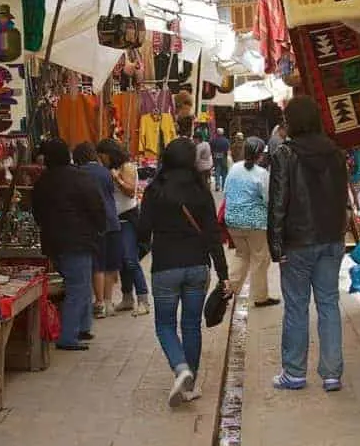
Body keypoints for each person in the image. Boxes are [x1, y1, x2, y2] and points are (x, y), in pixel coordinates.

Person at [138, 138, 230, 408]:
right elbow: (213, 235)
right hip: (197, 267)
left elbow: (143, 230)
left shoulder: (155, 190)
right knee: (191, 325)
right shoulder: (201, 190)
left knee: (165, 325)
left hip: (165, 266)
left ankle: (181, 369)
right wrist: (223, 273)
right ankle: (189, 385)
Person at [268, 96, 349, 392]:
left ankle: (294, 372)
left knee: (297, 307)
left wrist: (276, 246)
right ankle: (331, 374)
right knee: (328, 303)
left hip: (298, 242)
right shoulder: (335, 153)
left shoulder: (285, 155)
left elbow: (278, 203)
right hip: (331, 239)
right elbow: (342, 198)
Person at [33, 139, 106, 350]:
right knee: (78, 287)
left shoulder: (42, 182)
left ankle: (82, 327)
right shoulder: (80, 178)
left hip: (53, 242)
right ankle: (69, 336)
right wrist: (99, 228)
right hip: (78, 240)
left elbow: (36, 212)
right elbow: (96, 206)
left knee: (79, 285)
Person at [97, 139, 151, 316]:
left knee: (130, 259)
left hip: (128, 218)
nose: (101, 159)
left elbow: (130, 191)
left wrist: (116, 179)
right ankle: (127, 297)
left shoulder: (126, 167)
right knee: (121, 261)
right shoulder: (106, 168)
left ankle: (143, 299)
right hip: (113, 218)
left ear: (109, 153)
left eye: (102, 155)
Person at [225, 137, 279, 308]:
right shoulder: (262, 174)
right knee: (260, 258)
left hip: (233, 220)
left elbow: (226, 192)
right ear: (260, 155)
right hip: (255, 223)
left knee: (241, 255)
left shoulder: (234, 168)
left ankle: (228, 290)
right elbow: (268, 199)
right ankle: (260, 297)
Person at [73, 142, 122, 318]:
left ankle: (99, 302)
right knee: (110, 265)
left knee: (98, 265)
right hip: (112, 221)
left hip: (94, 224)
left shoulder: (79, 173)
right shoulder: (106, 173)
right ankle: (108, 303)